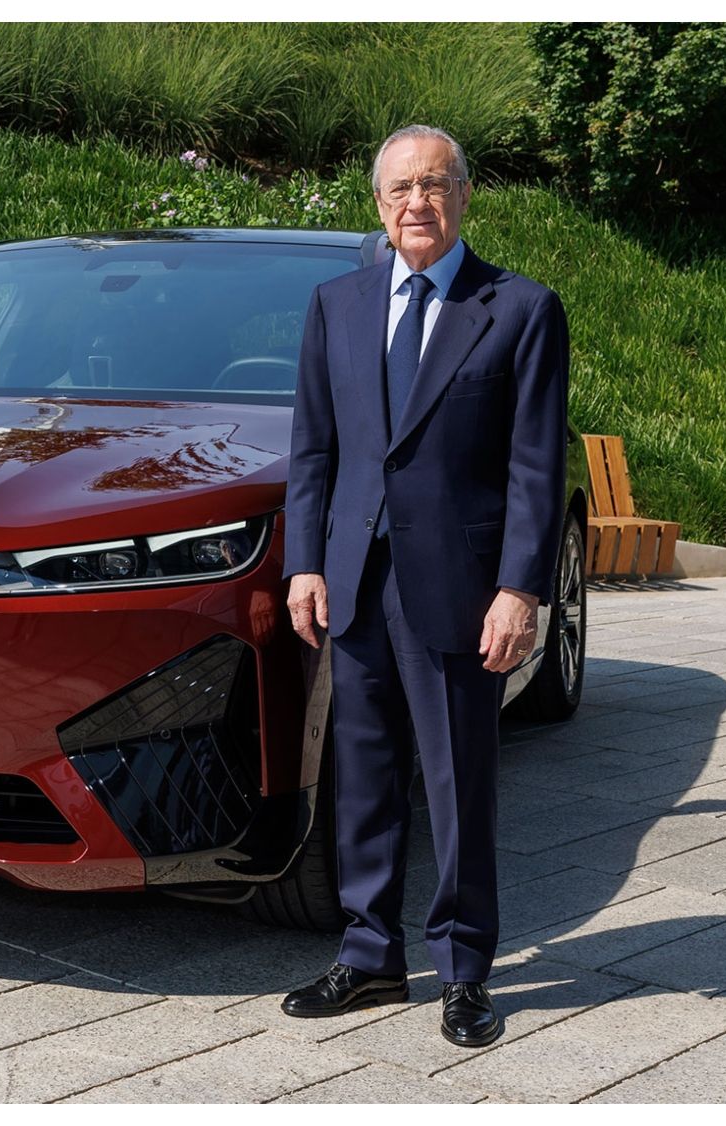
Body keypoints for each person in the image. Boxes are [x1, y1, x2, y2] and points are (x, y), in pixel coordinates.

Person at [280, 124, 568, 1047]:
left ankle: (466, 969)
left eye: (436, 185)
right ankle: (368, 958)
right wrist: (305, 561)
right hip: (357, 583)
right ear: (378, 203)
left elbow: (535, 465)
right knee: (361, 778)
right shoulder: (338, 304)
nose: (418, 203)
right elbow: (314, 449)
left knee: (457, 783)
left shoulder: (518, 309)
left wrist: (520, 589)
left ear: (465, 197)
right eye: (402, 187)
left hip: (461, 589)